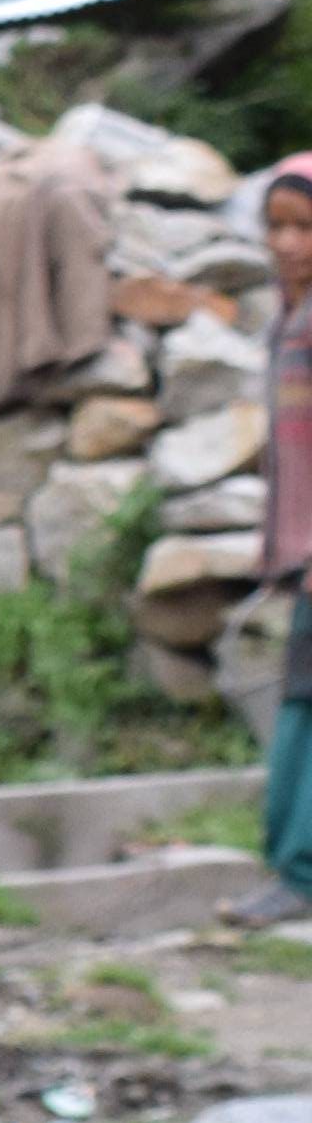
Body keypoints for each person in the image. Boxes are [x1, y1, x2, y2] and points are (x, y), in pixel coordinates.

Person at [261, 159, 312, 906]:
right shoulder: (288, 321)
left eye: (305, 227)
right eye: (274, 226)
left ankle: (298, 871)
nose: (288, 242)